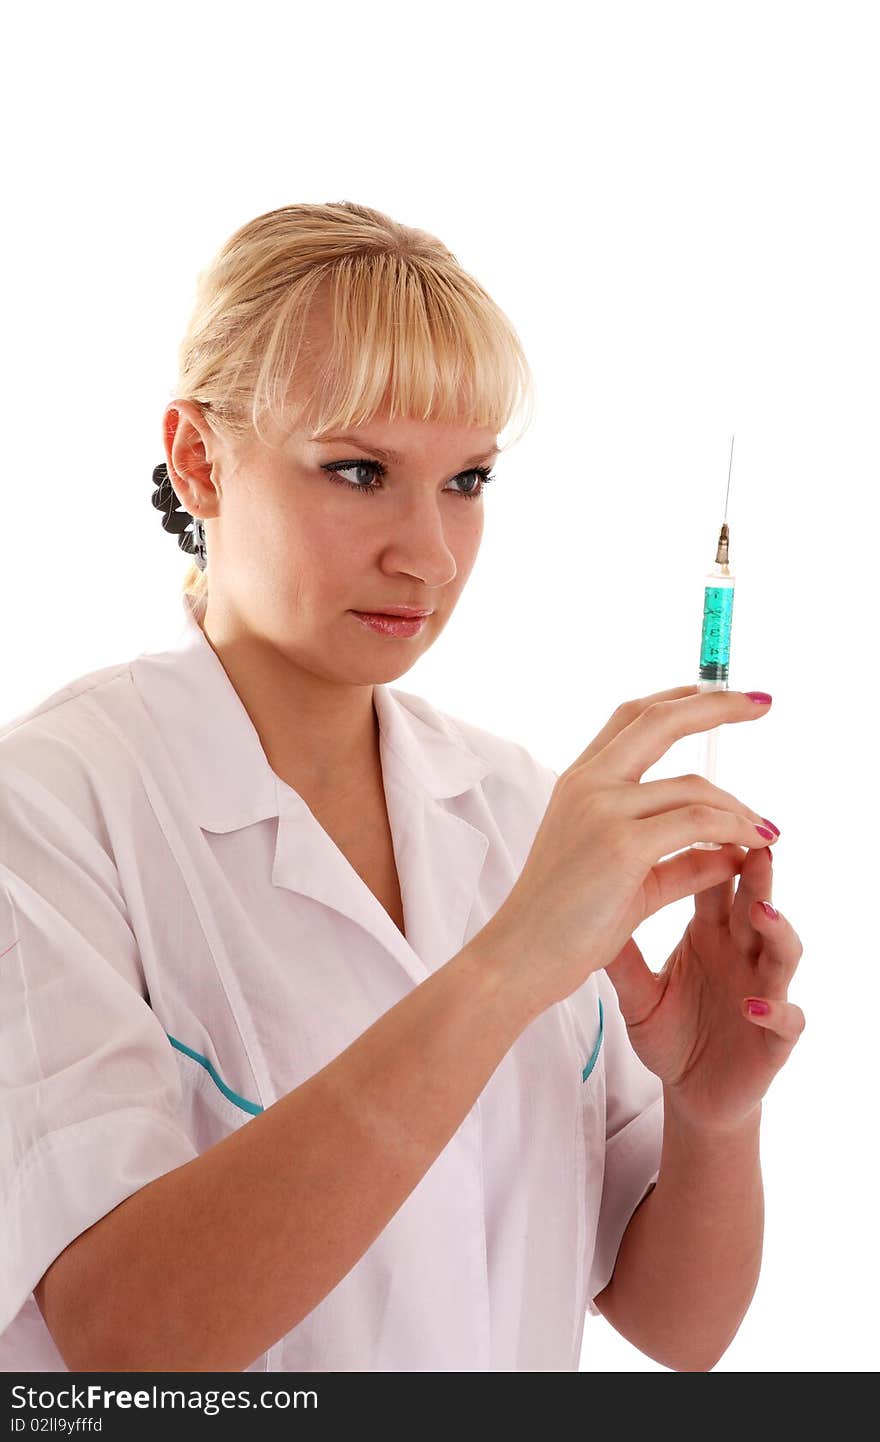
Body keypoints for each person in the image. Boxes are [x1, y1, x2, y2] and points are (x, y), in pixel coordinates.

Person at [0, 201, 804, 1374]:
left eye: (466, 480)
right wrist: (513, 956)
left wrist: (712, 1113)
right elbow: (133, 1344)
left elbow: (676, 1327)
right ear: (198, 458)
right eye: (359, 470)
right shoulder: (53, 813)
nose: (427, 555)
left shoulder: (522, 807)